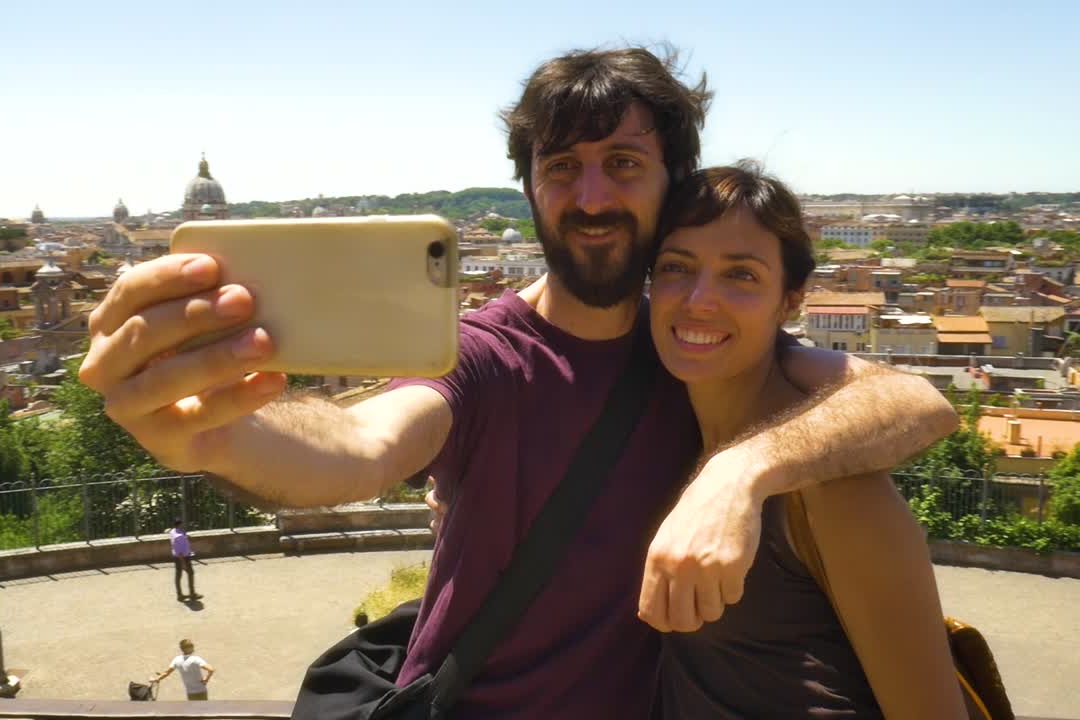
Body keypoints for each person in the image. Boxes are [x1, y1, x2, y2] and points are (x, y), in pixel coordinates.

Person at [79, 46, 957, 718]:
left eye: (622, 162)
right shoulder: (484, 353)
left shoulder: (696, 341)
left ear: (671, 181)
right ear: (530, 188)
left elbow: (913, 400)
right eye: (561, 166)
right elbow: (363, 443)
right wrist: (220, 435)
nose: (590, 195)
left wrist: (739, 472)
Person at [646, 163, 965, 718]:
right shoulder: (662, 425)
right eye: (677, 267)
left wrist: (740, 471)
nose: (699, 299)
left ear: (791, 300)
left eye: (740, 275)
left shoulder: (834, 492)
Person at [152, 638, 216, 700]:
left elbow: (166, 673)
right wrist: (206, 679)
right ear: (188, 648)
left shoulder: (177, 659)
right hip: (201, 691)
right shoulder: (196, 659)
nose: (193, 647)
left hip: (190, 692)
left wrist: (157, 679)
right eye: (192, 646)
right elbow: (211, 669)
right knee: (203, 710)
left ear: (181, 648)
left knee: (193, 710)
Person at [169, 519, 200, 601]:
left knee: (178, 576)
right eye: (182, 524)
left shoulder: (173, 531)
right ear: (180, 525)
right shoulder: (179, 537)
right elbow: (180, 552)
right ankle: (192, 594)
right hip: (183, 558)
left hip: (177, 557)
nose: (184, 525)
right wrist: (183, 563)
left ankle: (180, 595)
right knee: (190, 573)